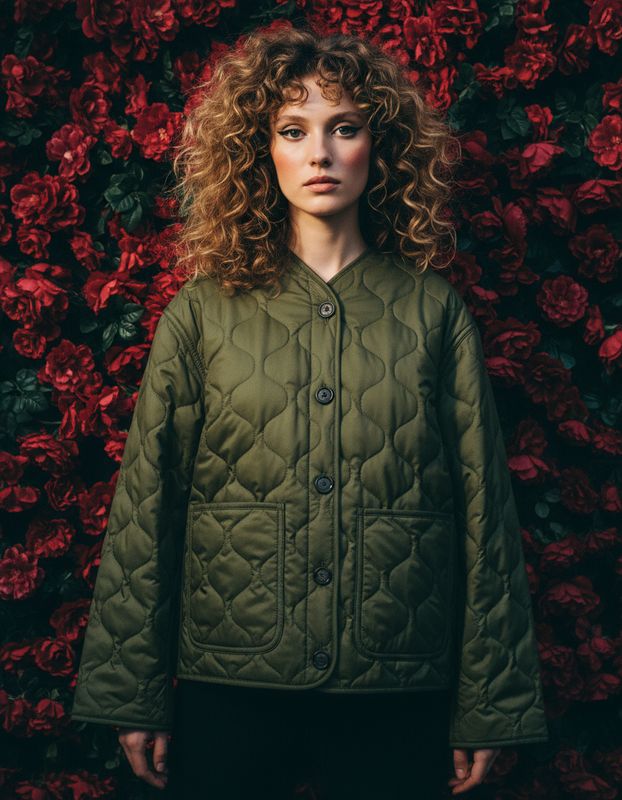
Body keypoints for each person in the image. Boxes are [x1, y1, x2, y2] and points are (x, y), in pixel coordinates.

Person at [70, 26, 549, 800]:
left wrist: (488, 706)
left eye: (345, 127)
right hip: (229, 682)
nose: (319, 152)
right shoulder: (201, 313)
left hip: (396, 684)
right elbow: (146, 505)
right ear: (262, 152)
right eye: (293, 130)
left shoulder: (432, 312)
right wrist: (134, 691)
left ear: (378, 146)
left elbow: (485, 516)